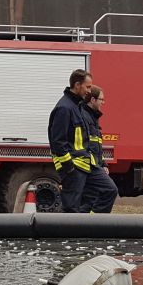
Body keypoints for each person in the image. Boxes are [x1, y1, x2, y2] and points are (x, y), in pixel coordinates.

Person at [48, 70, 99, 213]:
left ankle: (86, 230)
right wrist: (69, 167)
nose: (89, 91)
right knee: (71, 207)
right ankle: (68, 234)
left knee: (106, 190)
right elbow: (58, 141)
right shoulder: (64, 108)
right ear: (77, 85)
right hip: (73, 167)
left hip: (82, 164)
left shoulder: (76, 105)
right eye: (87, 87)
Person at [80, 85, 118, 213]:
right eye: (101, 99)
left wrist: (103, 163)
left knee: (87, 201)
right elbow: (85, 146)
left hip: (93, 165)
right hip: (89, 166)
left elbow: (96, 146)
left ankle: (85, 227)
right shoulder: (85, 117)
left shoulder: (92, 117)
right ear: (92, 100)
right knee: (110, 189)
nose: (103, 102)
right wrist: (97, 166)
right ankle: (98, 224)